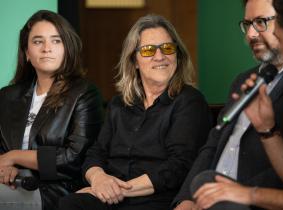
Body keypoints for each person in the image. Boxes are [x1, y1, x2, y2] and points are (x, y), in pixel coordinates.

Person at [58, 14, 212, 210]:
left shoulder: (190, 101)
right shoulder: (119, 104)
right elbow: (96, 153)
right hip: (111, 198)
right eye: (148, 50)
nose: (160, 56)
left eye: (167, 48)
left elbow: (179, 167)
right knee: (69, 204)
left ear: (177, 55)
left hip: (155, 199)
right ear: (134, 61)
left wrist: (119, 190)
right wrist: (98, 179)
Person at [172, 0, 283, 209]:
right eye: (247, 24)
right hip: (210, 194)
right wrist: (185, 200)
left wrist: (232, 194)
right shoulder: (243, 80)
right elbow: (213, 144)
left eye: (261, 22)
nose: (250, 35)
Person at [0, 10, 104, 210]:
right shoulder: (7, 96)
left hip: (54, 191)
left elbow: (73, 159)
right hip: (10, 183)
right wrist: (5, 167)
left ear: (67, 49)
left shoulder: (84, 93)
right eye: (38, 41)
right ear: (27, 53)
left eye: (56, 41)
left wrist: (13, 156)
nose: (47, 48)